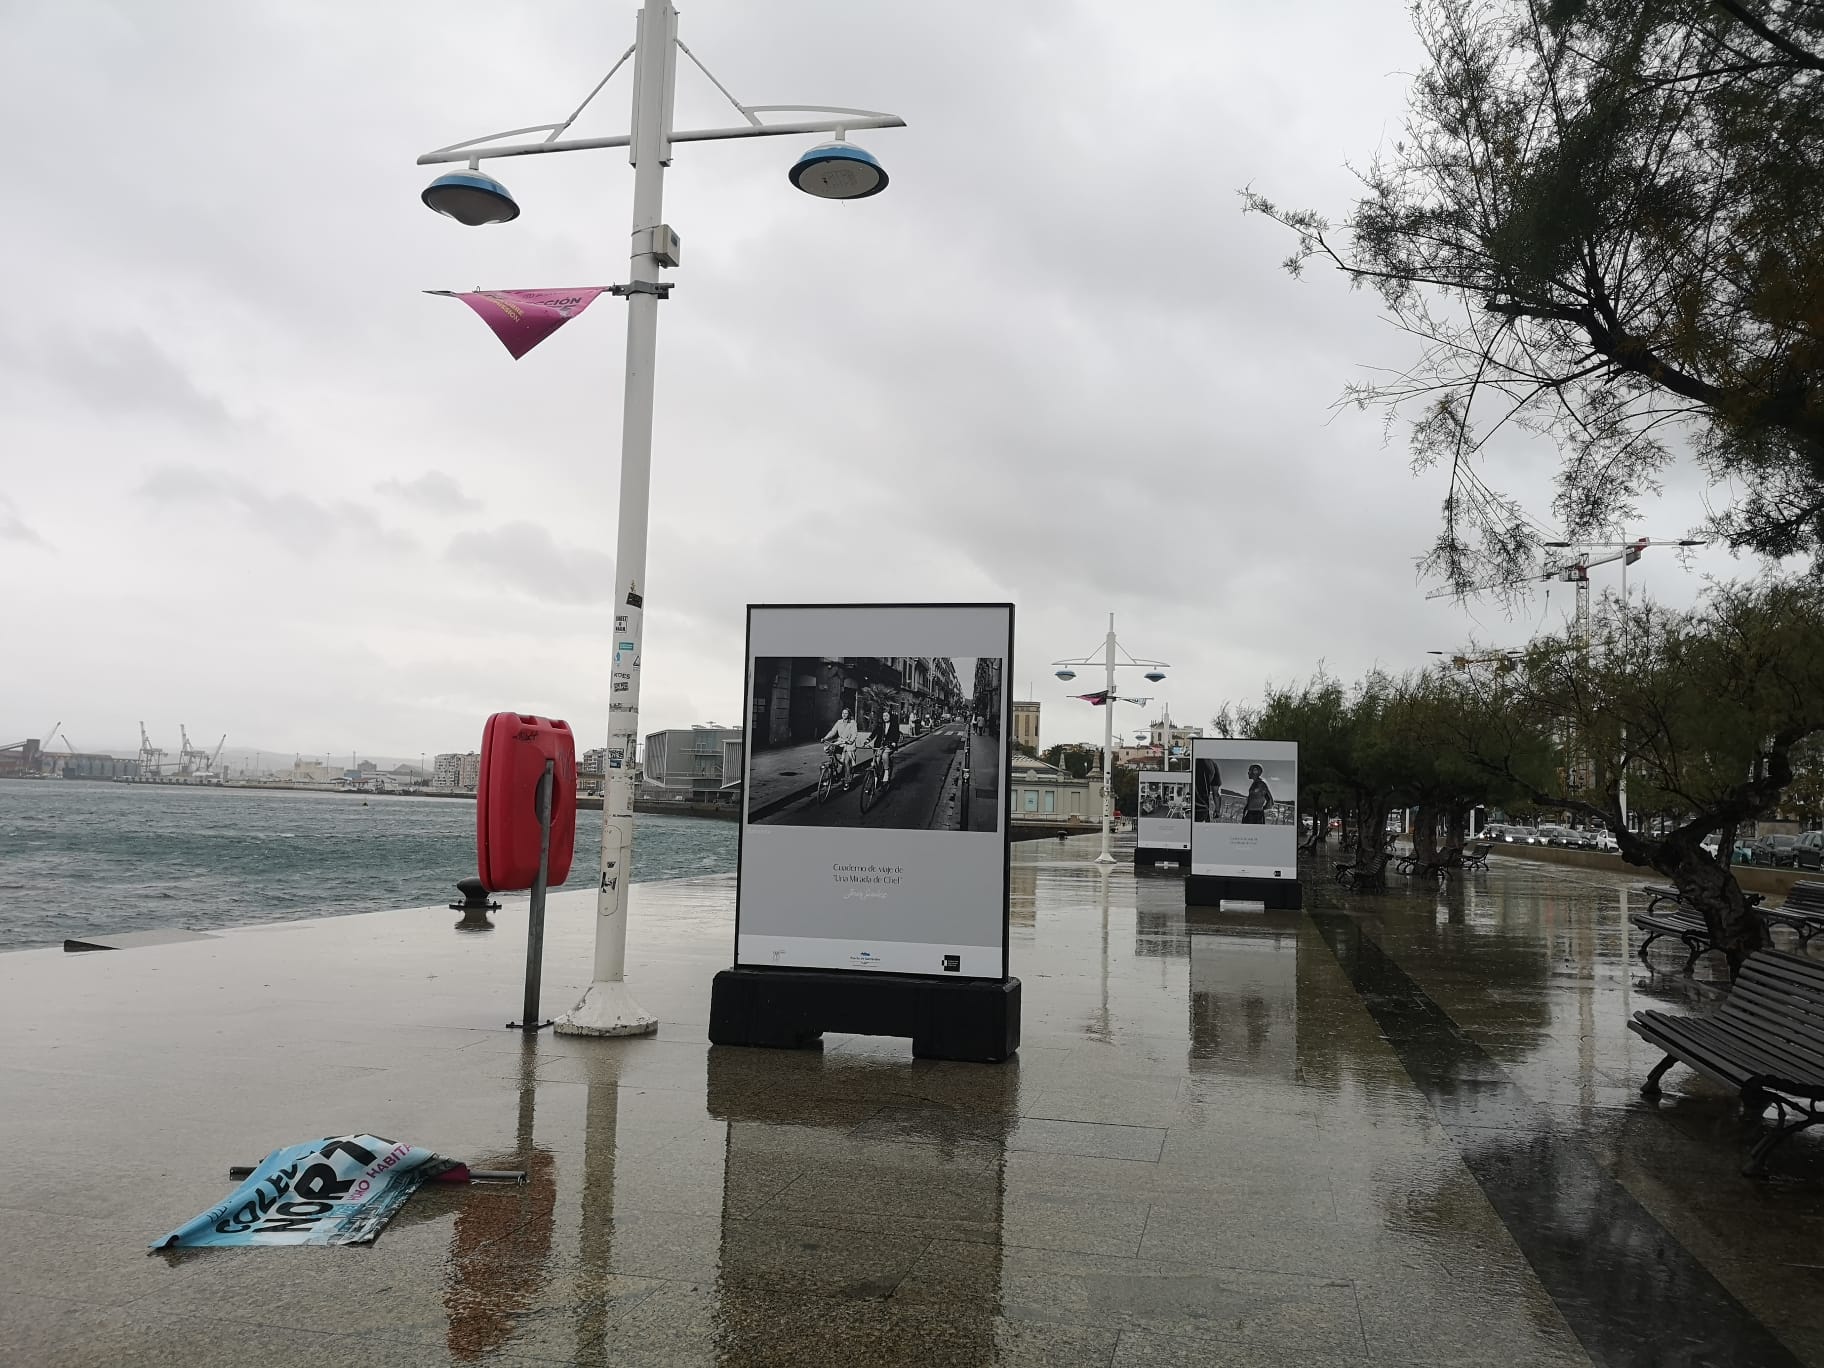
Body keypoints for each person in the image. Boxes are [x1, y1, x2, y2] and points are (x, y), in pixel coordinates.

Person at [823, 709, 860, 789]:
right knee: (831, 752)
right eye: (843, 713)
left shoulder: (852, 723)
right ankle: (833, 768)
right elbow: (833, 731)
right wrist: (825, 738)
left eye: (846, 713)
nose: (844, 715)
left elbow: (854, 733)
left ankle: (847, 781)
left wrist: (850, 741)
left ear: (849, 715)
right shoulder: (839, 722)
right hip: (840, 741)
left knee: (846, 762)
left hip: (849, 744)